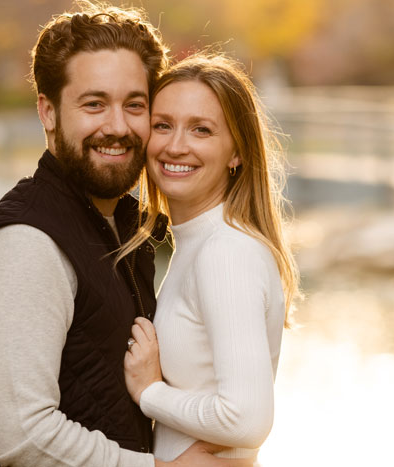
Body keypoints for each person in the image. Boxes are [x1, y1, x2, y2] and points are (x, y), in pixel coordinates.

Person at [0, 1, 236, 467]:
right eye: (94, 104)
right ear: (48, 112)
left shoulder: (128, 229)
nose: (117, 127)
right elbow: (23, 436)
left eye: (134, 105)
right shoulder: (25, 243)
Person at [120, 53, 300, 465]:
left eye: (201, 130)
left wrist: (149, 392)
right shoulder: (200, 244)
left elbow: (247, 420)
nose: (175, 145)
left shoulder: (226, 253)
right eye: (162, 125)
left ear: (236, 152)